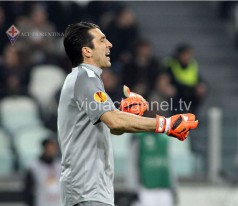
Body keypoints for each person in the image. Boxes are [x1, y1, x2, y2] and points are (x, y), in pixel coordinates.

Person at [58, 22, 199, 206]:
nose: (109, 44)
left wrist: (127, 114)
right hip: (87, 190)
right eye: (102, 40)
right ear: (87, 51)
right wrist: (166, 125)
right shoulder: (86, 78)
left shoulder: (86, 80)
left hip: (90, 190)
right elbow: (115, 122)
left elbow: (114, 127)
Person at [164, 44, 206, 114]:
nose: (186, 57)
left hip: (190, 91)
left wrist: (201, 86)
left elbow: (198, 78)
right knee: (172, 93)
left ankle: (192, 115)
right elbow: (166, 77)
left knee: (200, 90)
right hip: (177, 91)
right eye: (184, 54)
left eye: (188, 54)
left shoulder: (192, 64)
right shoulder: (171, 64)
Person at [24, 137, 61, 206]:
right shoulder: (34, 166)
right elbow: (28, 190)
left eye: (54, 149)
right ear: (44, 148)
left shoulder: (60, 165)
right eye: (50, 148)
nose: (52, 151)